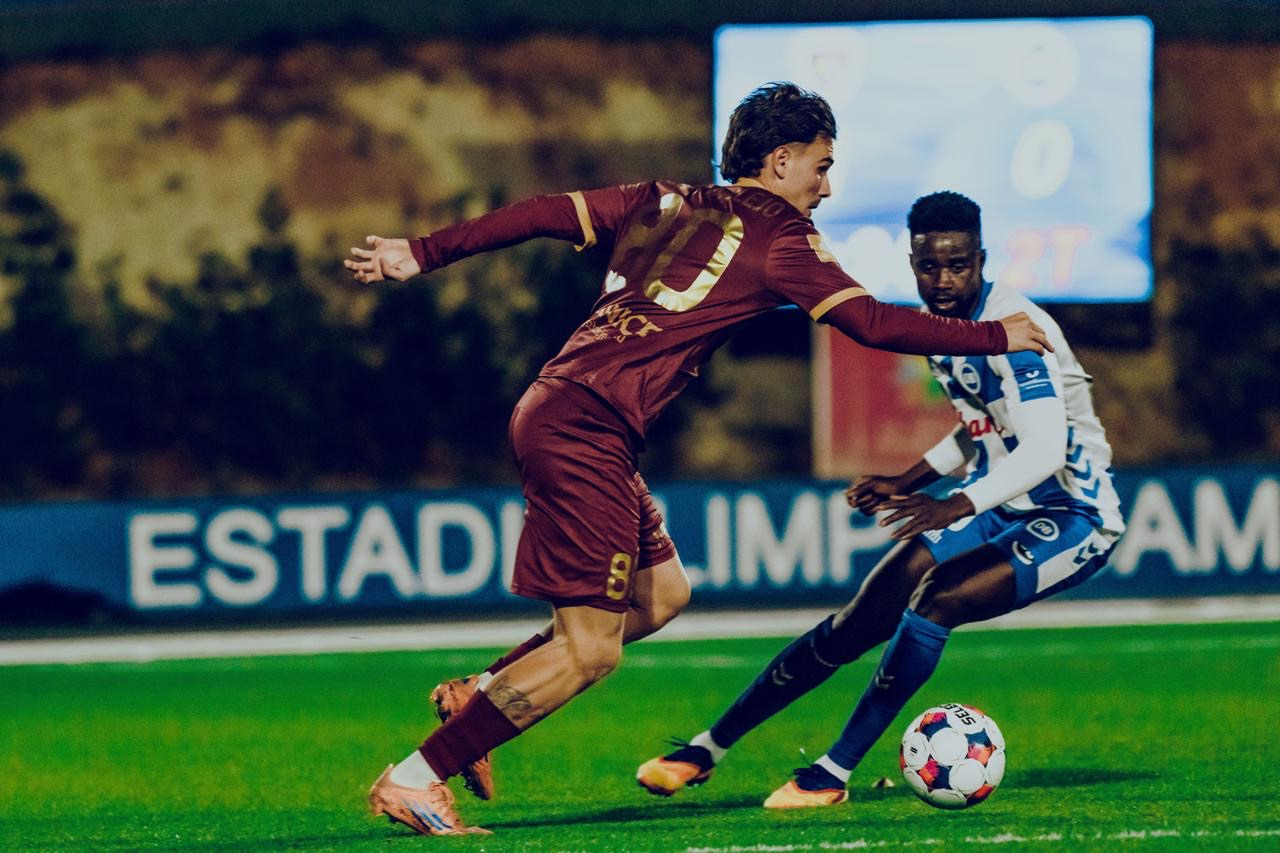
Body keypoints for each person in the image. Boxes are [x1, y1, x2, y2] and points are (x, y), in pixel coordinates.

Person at [345, 86, 1052, 837]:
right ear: (781, 161)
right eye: (821, 166)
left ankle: (480, 690)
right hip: (584, 428)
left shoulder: (661, 198)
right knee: (591, 652)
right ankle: (415, 777)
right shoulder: (783, 237)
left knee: (661, 596)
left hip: (572, 412)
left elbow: (543, 212)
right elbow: (871, 323)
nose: (826, 186)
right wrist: (994, 335)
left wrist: (423, 251)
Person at [636, 189, 1124, 808]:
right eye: (929, 266)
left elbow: (1045, 448)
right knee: (858, 621)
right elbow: (984, 424)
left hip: (1075, 516)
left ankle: (831, 774)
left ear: (981, 260)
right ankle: (707, 748)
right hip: (1002, 502)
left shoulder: (1021, 328)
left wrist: (955, 505)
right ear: (912, 262)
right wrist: (907, 480)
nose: (943, 281)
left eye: (958, 265)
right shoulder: (942, 328)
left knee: (937, 600)